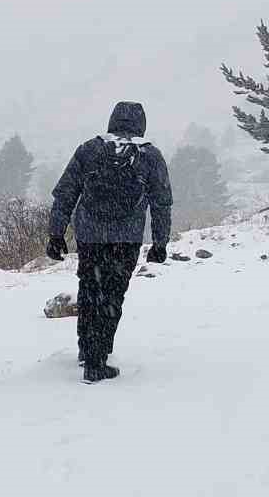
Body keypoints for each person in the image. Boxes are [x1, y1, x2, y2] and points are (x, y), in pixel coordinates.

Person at [46, 101, 174, 384]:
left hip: (90, 235)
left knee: (90, 289)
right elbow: (162, 202)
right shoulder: (149, 154)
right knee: (113, 295)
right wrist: (160, 243)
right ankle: (97, 360)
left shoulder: (90, 149)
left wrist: (56, 234)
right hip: (126, 238)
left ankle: (88, 351)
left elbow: (65, 192)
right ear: (141, 123)